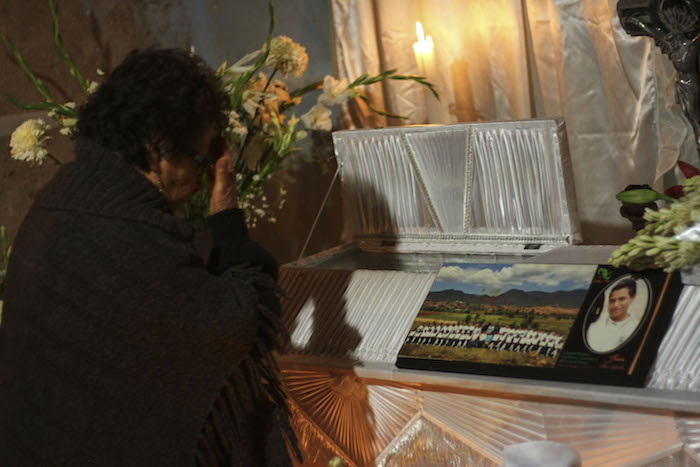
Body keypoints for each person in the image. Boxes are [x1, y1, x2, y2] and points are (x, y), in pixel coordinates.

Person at [0, 48, 299, 466]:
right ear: (158, 148)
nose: (201, 178)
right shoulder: (128, 232)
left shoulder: (59, 198)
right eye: (200, 160)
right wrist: (226, 208)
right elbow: (241, 322)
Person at [586, 279, 641, 353]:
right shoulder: (594, 320)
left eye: (622, 299)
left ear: (632, 298)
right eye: (612, 300)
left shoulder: (636, 327)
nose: (615, 305)